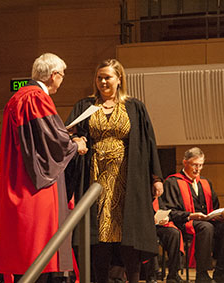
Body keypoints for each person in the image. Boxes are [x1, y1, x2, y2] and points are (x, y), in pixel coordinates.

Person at [65, 59, 164, 283]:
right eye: (99, 77)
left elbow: (149, 142)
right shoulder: (85, 106)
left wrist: (156, 177)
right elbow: (68, 133)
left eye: (107, 77)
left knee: (129, 233)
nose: (102, 82)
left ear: (119, 79)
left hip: (128, 177)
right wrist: (75, 137)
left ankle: (133, 279)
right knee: (98, 233)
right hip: (94, 178)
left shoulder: (134, 107)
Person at [0, 53, 87, 282]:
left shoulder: (18, 97)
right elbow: (52, 144)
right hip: (33, 188)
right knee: (38, 256)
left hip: (17, 180)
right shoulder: (36, 98)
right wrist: (75, 143)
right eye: (62, 76)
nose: (61, 81)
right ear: (54, 75)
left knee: (25, 259)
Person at [162, 147, 224, 283]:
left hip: (205, 222)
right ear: (185, 163)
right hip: (183, 223)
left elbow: (214, 206)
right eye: (194, 165)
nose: (197, 169)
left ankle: (222, 272)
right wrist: (191, 215)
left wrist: (217, 215)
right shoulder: (173, 182)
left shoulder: (205, 183)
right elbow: (169, 211)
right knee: (206, 227)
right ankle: (202, 273)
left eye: (200, 165)